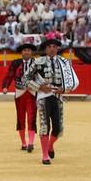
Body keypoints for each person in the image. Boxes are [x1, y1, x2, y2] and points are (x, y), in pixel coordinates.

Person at [27, 36, 80, 165]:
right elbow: (26, 79)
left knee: (58, 128)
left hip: (57, 96)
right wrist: (39, 86)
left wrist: (64, 89)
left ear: (57, 49)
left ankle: (50, 146)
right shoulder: (38, 62)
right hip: (43, 97)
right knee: (45, 125)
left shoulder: (64, 62)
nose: (52, 49)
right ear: (45, 49)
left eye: (54, 47)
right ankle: (45, 155)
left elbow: (73, 80)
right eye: (49, 47)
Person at [0, 42, 39, 152]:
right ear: (21, 52)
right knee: (21, 119)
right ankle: (23, 143)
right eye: (24, 50)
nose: (26, 52)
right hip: (20, 94)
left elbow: (41, 77)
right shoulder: (16, 63)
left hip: (32, 94)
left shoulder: (37, 63)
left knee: (32, 118)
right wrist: (5, 86)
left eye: (28, 50)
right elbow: (9, 75)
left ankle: (31, 143)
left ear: (31, 52)